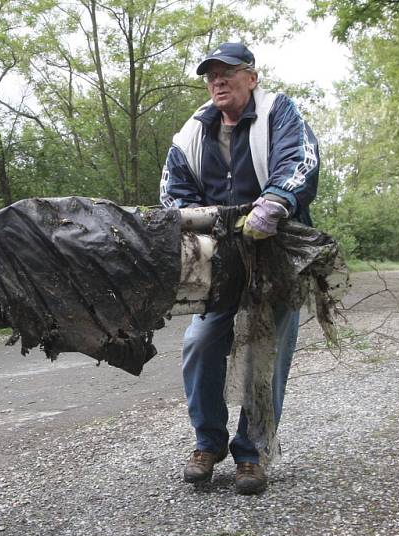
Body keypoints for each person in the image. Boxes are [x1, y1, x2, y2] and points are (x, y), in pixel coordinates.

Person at [159, 42, 319, 495]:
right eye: (211, 75)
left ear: (252, 76)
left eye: (227, 72)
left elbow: (300, 160)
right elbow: (173, 191)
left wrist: (276, 201)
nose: (217, 81)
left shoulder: (279, 113)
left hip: (275, 248)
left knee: (264, 352)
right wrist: (202, 224)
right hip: (219, 257)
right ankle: (208, 442)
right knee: (201, 341)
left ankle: (252, 454)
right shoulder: (193, 132)